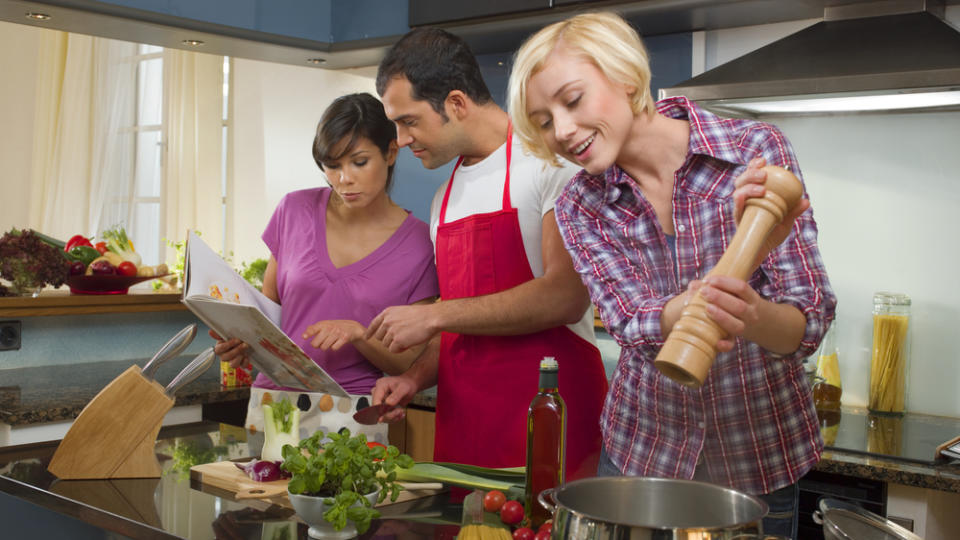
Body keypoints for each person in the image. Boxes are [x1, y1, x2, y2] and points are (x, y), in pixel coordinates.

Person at [508, 12, 836, 538]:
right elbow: (629, 323)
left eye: (571, 100)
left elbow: (808, 320)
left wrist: (749, 314)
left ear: (628, 77)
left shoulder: (752, 153)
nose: (562, 131)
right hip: (640, 459)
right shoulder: (579, 206)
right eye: (543, 121)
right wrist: (692, 306)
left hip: (758, 465)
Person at [365, 27, 609, 480]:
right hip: (465, 428)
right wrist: (413, 379)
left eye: (409, 121)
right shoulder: (444, 197)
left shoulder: (552, 166)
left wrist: (434, 315)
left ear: (456, 104)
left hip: (548, 419)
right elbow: (461, 326)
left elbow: (565, 296)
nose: (400, 139)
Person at [212, 93, 439, 444]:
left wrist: (360, 334)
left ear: (391, 153)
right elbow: (269, 314)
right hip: (273, 403)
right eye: (332, 166)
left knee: (350, 500)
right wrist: (242, 342)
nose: (343, 178)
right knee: (260, 498)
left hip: (356, 409)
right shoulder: (294, 210)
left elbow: (408, 363)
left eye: (359, 162)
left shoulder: (420, 244)